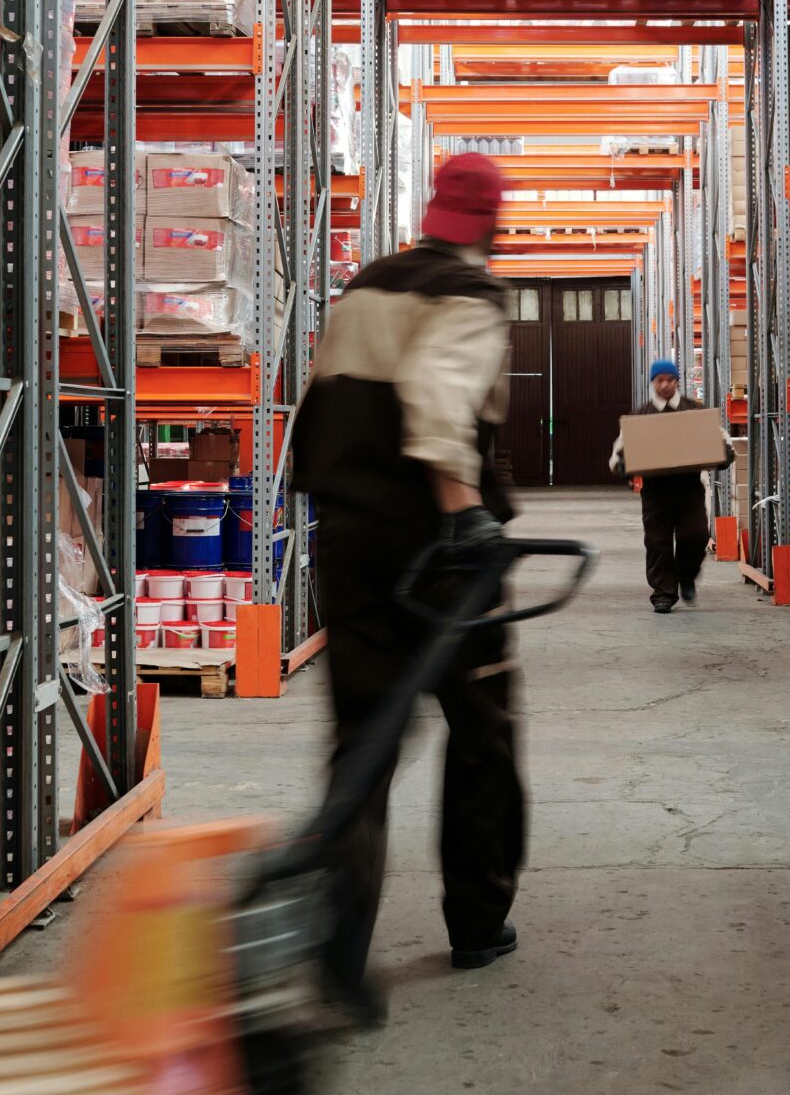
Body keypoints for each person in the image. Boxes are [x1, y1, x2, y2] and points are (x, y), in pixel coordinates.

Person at [291, 153, 526, 1025]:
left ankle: (339, 951)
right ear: (493, 225)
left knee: (362, 742)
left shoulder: (365, 285)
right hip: (439, 553)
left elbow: (328, 400)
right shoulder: (472, 295)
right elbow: (436, 399)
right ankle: (478, 921)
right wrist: (463, 513)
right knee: (483, 734)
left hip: (349, 541)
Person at [609, 358, 727, 614]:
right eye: (659, 380)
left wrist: (724, 453)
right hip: (656, 491)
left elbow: (721, 440)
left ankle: (686, 577)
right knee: (658, 543)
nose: (664, 385)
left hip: (689, 490)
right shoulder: (641, 416)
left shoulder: (694, 411)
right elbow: (619, 451)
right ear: (653, 383)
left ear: (677, 382)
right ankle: (663, 593)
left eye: (669, 380)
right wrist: (622, 465)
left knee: (696, 536)